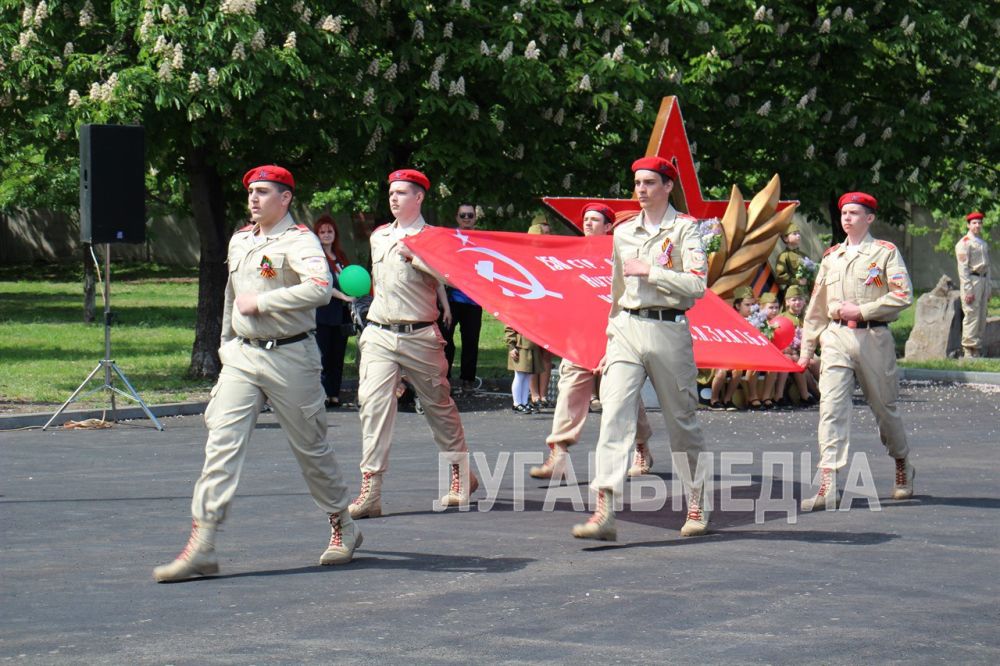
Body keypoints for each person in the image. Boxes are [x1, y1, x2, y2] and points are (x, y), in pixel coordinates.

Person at [153, 165, 360, 582]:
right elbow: (232, 296)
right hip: (243, 357)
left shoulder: (300, 240)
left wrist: (264, 304)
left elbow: (319, 290)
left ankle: (342, 523)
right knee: (220, 447)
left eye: (263, 192)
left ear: (285, 199)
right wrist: (226, 343)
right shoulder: (241, 239)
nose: (253, 198)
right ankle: (203, 545)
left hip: (291, 357)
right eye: (250, 191)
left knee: (311, 449)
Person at [572, 156, 711, 541]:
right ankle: (604, 510)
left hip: (668, 329)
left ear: (668, 186)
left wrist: (652, 271)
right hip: (626, 328)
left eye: (650, 182)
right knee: (614, 414)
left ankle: (696, 500)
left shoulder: (684, 230)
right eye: (637, 182)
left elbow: (698, 285)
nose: (641, 189)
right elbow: (617, 290)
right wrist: (609, 338)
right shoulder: (624, 231)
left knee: (681, 421)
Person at [348, 169, 478, 519]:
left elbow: (455, 277)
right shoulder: (378, 236)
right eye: (391, 192)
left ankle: (461, 474)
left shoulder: (435, 237)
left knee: (439, 406)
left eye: (402, 192)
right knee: (372, 405)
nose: (394, 198)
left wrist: (417, 258)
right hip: (379, 332)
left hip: (421, 333)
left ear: (419, 197)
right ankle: (371, 490)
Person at [798, 192, 915, 512]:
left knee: (884, 409)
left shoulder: (885, 253)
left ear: (869, 218)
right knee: (831, 409)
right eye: (844, 213)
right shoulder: (831, 256)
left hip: (873, 337)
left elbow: (903, 295)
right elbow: (817, 307)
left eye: (854, 213)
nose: (847, 218)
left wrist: (862, 309)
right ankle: (828, 484)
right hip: (835, 337)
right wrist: (807, 348)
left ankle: (901, 460)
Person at [529, 203, 655, 480]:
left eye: (594, 220)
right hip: (580, 338)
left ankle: (642, 444)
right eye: (585, 219)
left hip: (618, 337)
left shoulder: (623, 256)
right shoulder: (570, 254)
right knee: (570, 389)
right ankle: (558, 454)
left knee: (624, 398)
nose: (587, 223)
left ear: (608, 227)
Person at [313, 215, 354, 408]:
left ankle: (334, 394)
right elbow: (322, 284)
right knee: (322, 356)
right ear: (317, 234)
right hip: (323, 313)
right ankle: (321, 393)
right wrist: (344, 297)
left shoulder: (341, 257)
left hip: (341, 315)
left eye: (330, 231)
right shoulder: (316, 258)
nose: (326, 235)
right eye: (322, 232)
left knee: (338, 356)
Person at [443, 203, 484, 391]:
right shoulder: (450, 238)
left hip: (474, 300)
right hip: (452, 299)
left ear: (475, 217)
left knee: (471, 341)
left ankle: (468, 380)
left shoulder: (483, 240)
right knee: (446, 341)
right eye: (463, 215)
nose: (467, 218)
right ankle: (445, 377)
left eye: (470, 215)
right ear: (457, 218)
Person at [955, 211, 991, 358]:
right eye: (974, 223)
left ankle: (978, 347)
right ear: (968, 225)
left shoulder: (982, 243)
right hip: (972, 280)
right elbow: (963, 268)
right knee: (972, 314)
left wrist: (988, 288)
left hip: (983, 280)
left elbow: (987, 267)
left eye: (979, 223)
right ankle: (969, 349)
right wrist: (968, 289)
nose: (977, 225)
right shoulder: (964, 243)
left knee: (982, 315)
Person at [505, 325, 542, 414]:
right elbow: (509, 327)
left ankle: (524, 403)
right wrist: (511, 346)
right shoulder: (516, 311)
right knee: (520, 376)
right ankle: (517, 404)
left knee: (528, 376)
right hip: (520, 346)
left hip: (531, 345)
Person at [773, 223, 813, 301]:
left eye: (799, 234)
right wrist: (797, 281)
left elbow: (811, 274)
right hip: (793, 295)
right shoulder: (784, 256)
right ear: (785, 238)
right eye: (794, 234)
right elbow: (780, 277)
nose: (798, 236)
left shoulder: (804, 255)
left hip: (806, 294)